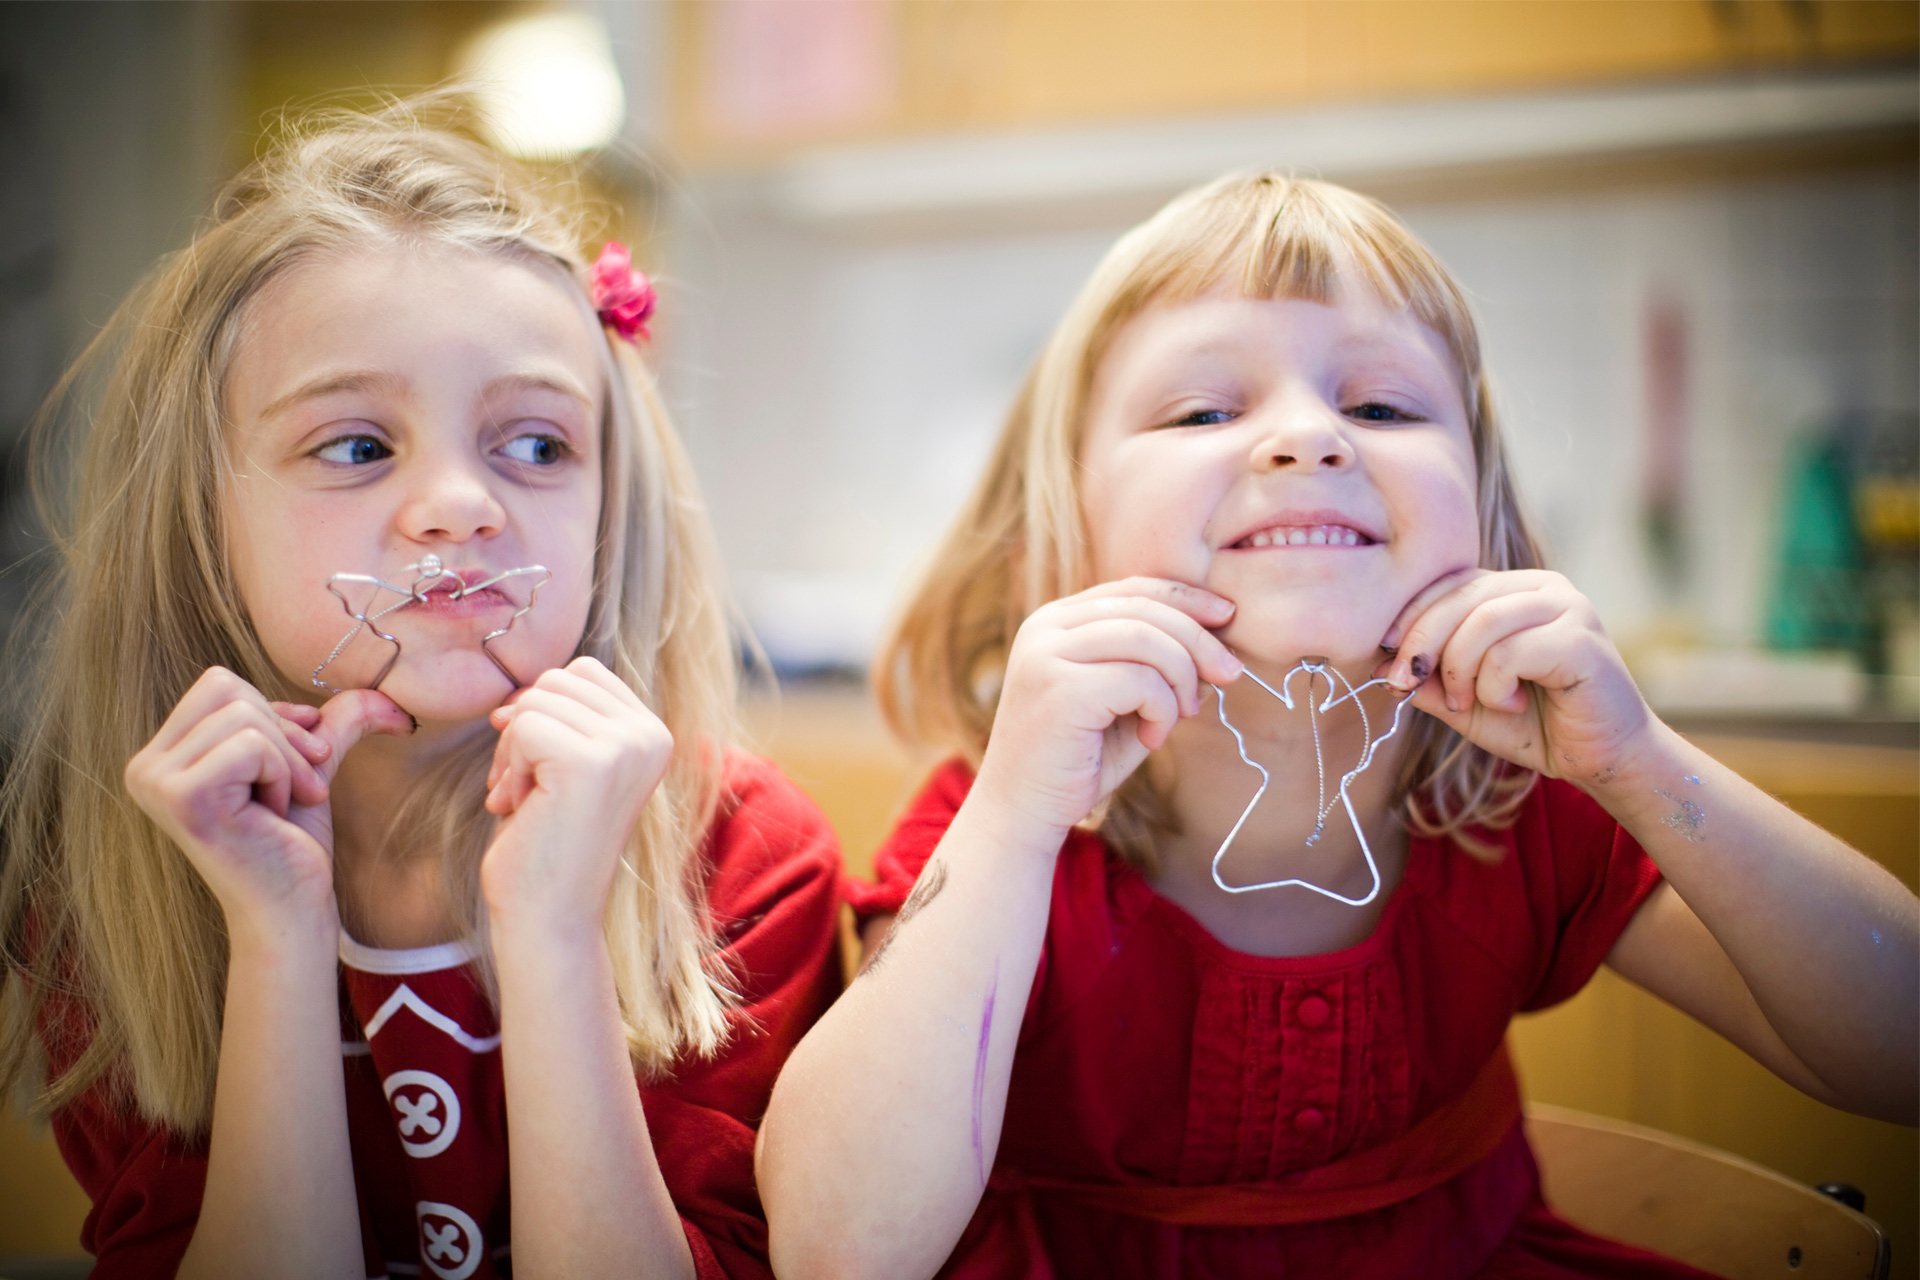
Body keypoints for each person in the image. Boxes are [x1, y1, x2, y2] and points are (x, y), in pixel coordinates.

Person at [755, 172, 1919, 1279]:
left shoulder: (1532, 804)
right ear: (1056, 551)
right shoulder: (995, 826)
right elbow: (836, 1250)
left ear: (1489, 522)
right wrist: (1009, 821)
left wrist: (1640, 760)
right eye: (1205, 407)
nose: (1311, 437)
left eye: (1381, 404)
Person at [0, 101, 842, 1280]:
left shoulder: (742, 856)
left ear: (610, 507)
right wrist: (276, 934)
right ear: (203, 521)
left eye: (538, 445)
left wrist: (554, 933)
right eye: (356, 445)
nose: (461, 503)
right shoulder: (119, 888)